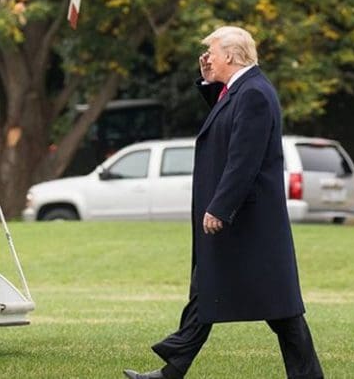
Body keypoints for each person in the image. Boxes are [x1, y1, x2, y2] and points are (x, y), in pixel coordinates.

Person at [124, 26, 323, 379]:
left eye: (211, 53)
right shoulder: (242, 90)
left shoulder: (255, 94)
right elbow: (225, 121)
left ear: (230, 55)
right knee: (208, 288)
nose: (207, 58)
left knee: (280, 309)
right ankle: (172, 371)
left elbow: (244, 159)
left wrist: (220, 207)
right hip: (241, 219)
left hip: (248, 222)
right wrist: (208, 82)